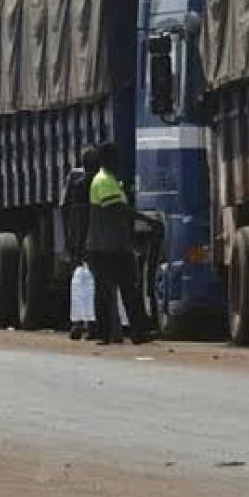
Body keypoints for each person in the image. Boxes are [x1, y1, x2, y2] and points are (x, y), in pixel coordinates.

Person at [86, 141, 152, 345]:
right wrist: (147, 220)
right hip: (107, 246)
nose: (118, 162)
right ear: (108, 159)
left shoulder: (110, 180)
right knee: (117, 290)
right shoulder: (104, 180)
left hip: (110, 245)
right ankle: (114, 333)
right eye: (115, 158)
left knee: (121, 289)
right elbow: (117, 209)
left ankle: (134, 333)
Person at [60, 146, 100, 340]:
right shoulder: (99, 182)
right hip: (93, 238)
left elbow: (64, 208)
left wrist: (68, 238)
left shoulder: (74, 181)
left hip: (76, 237)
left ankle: (76, 323)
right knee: (93, 282)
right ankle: (92, 325)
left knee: (77, 283)